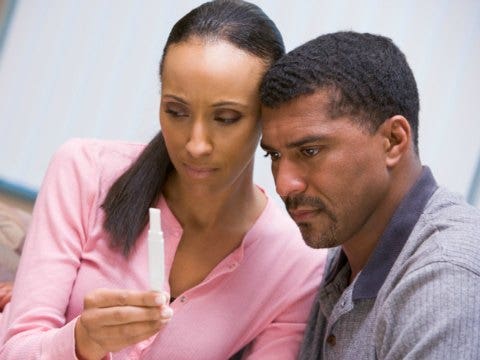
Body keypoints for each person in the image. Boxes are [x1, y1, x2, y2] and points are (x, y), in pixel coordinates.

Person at [0, 1, 327, 359]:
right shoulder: (84, 171)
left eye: (226, 118)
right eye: (176, 111)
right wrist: (80, 341)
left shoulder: (297, 265)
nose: (196, 144)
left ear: (268, 118)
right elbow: (17, 349)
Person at [259, 31, 480, 359]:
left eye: (310, 150)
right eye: (274, 156)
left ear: (393, 140)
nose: (283, 185)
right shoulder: (347, 250)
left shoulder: (446, 284)